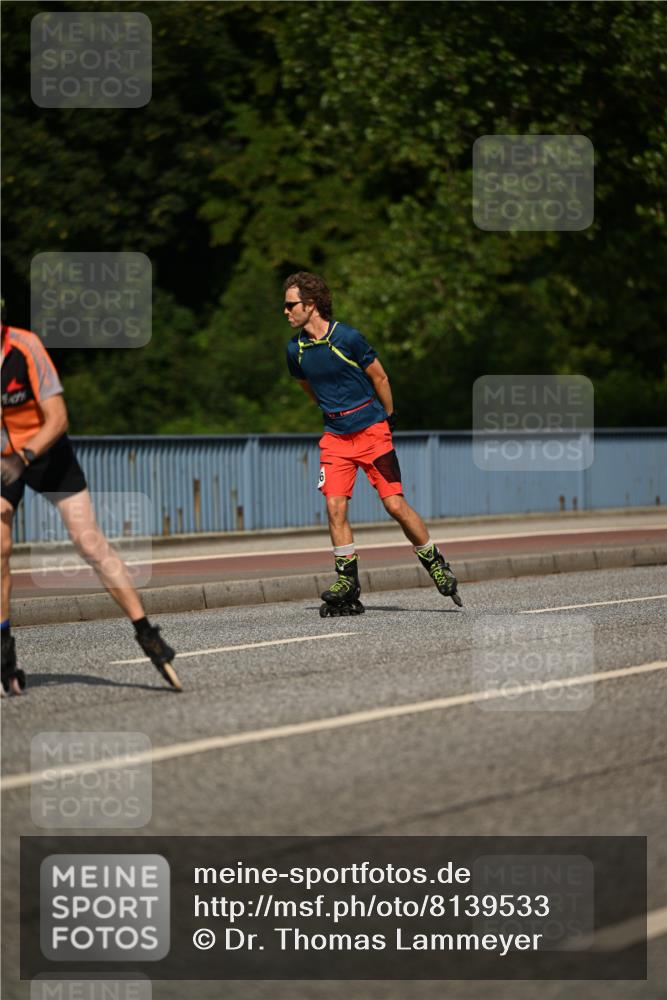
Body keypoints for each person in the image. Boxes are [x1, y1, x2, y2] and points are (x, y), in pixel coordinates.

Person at [0, 301, 181, 694]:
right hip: (2, 458)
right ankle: (4, 650)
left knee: (88, 542)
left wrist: (26, 456)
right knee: (0, 543)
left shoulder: (25, 347)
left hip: (45, 452)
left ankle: (145, 632)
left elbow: (59, 417)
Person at [283, 272, 462, 616]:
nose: (286, 312)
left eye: (291, 305)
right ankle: (347, 580)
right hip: (335, 437)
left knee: (394, 505)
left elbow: (379, 376)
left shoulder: (347, 337)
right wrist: (330, 410)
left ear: (311, 305)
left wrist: (388, 417)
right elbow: (307, 386)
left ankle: (434, 561)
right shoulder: (296, 350)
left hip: (371, 432)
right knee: (335, 508)